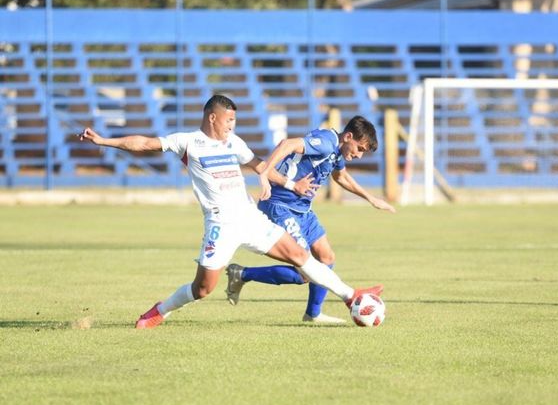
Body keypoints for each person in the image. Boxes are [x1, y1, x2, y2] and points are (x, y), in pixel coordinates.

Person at [78, 94, 383, 328]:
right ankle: (160, 311)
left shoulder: (234, 143)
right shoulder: (188, 142)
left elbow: (261, 166)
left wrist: (286, 182)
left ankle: (350, 296)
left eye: (234, 123)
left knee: (300, 257)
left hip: (249, 217)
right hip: (220, 224)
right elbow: (144, 143)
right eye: (228, 122)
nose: (232, 127)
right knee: (203, 289)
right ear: (212, 118)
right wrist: (105, 140)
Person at [224, 116, 396, 324]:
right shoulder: (326, 143)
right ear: (348, 136)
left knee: (326, 257)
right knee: (304, 272)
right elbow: (287, 144)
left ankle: (312, 314)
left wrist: (371, 198)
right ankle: (242, 274)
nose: (359, 155)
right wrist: (266, 172)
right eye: (359, 148)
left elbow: (340, 177)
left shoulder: (337, 150)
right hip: (281, 206)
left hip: (303, 210)